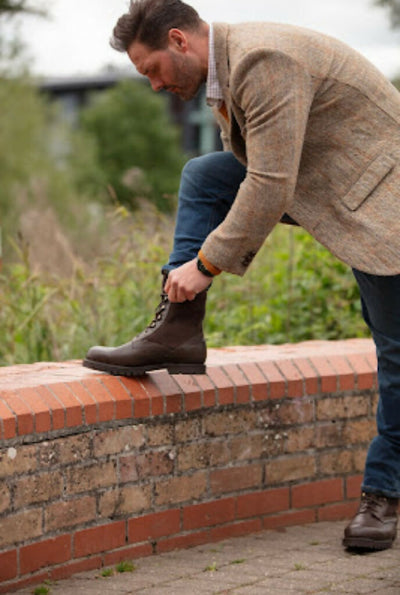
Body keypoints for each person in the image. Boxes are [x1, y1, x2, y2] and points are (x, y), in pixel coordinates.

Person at [83, 0, 400, 551]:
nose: (154, 86)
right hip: (331, 181)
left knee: (397, 355)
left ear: (179, 41)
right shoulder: (228, 66)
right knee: (205, 176)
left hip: (381, 205)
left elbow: (270, 183)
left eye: (151, 70)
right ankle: (177, 330)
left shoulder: (261, 60)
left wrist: (204, 266)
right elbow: (258, 173)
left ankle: (383, 495)